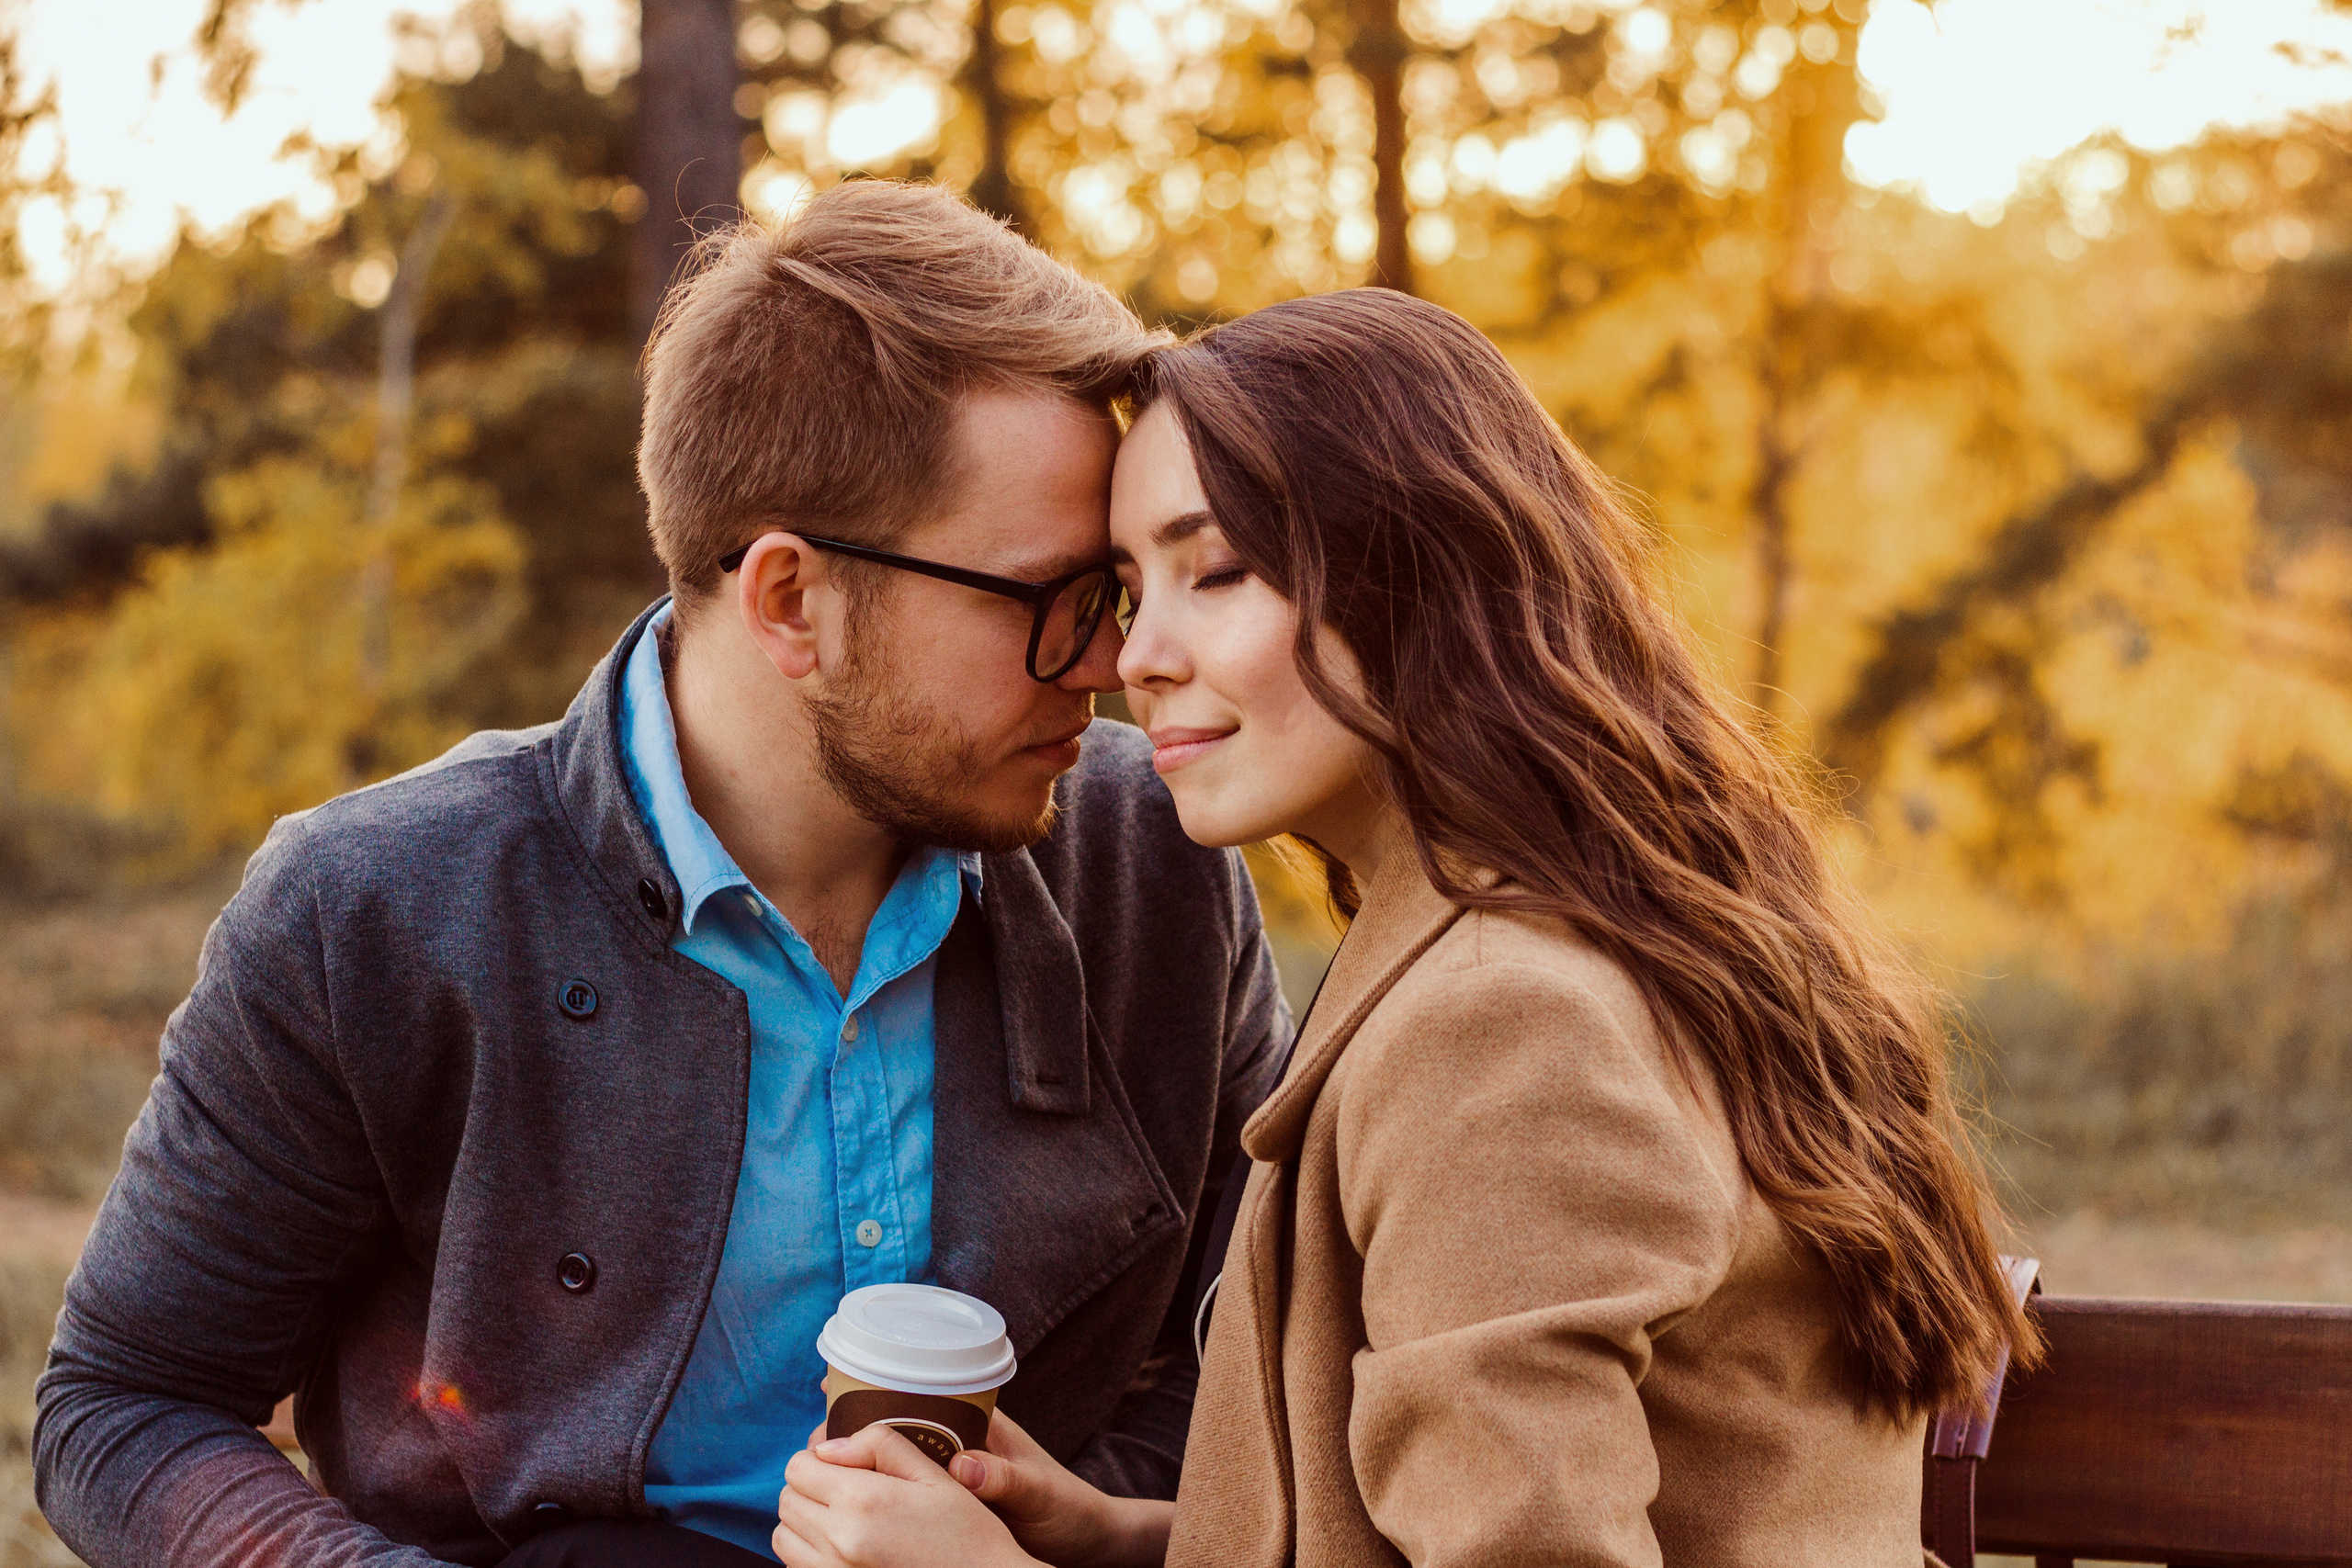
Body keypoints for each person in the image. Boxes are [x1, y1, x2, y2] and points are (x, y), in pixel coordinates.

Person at [33, 182, 1290, 1567]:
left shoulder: (1158, 864)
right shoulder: (368, 910)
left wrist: (1069, 1541)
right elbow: (123, 1407)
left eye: (1112, 594)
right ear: (791, 599)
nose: (1112, 663)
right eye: (1050, 601)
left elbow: (1252, 1363)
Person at [768, 288, 2041, 1568]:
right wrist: (1114, 1537)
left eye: (1217, 571)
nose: (1134, 656)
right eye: (1127, 588)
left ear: (1418, 574)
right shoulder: (1567, 939)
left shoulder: (1501, 1024)